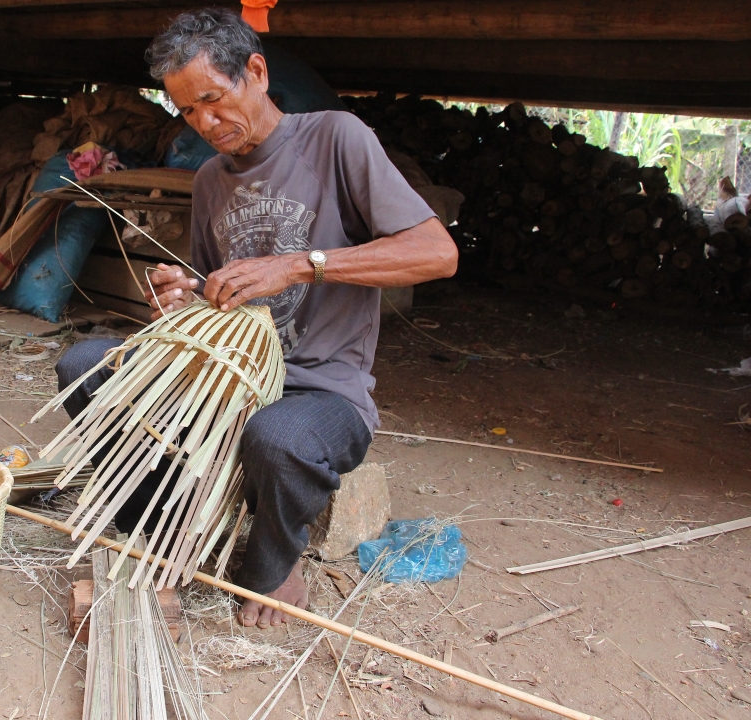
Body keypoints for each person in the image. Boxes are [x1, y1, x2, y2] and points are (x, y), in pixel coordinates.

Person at [55, 8, 458, 629]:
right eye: (187, 112)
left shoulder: (335, 138)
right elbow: (220, 295)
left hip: (319, 390)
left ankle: (273, 562)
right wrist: (185, 300)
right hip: (228, 378)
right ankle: (165, 532)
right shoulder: (212, 179)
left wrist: (302, 265)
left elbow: (437, 253)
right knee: (85, 366)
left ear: (257, 72)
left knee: (277, 436)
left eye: (214, 101)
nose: (205, 124)